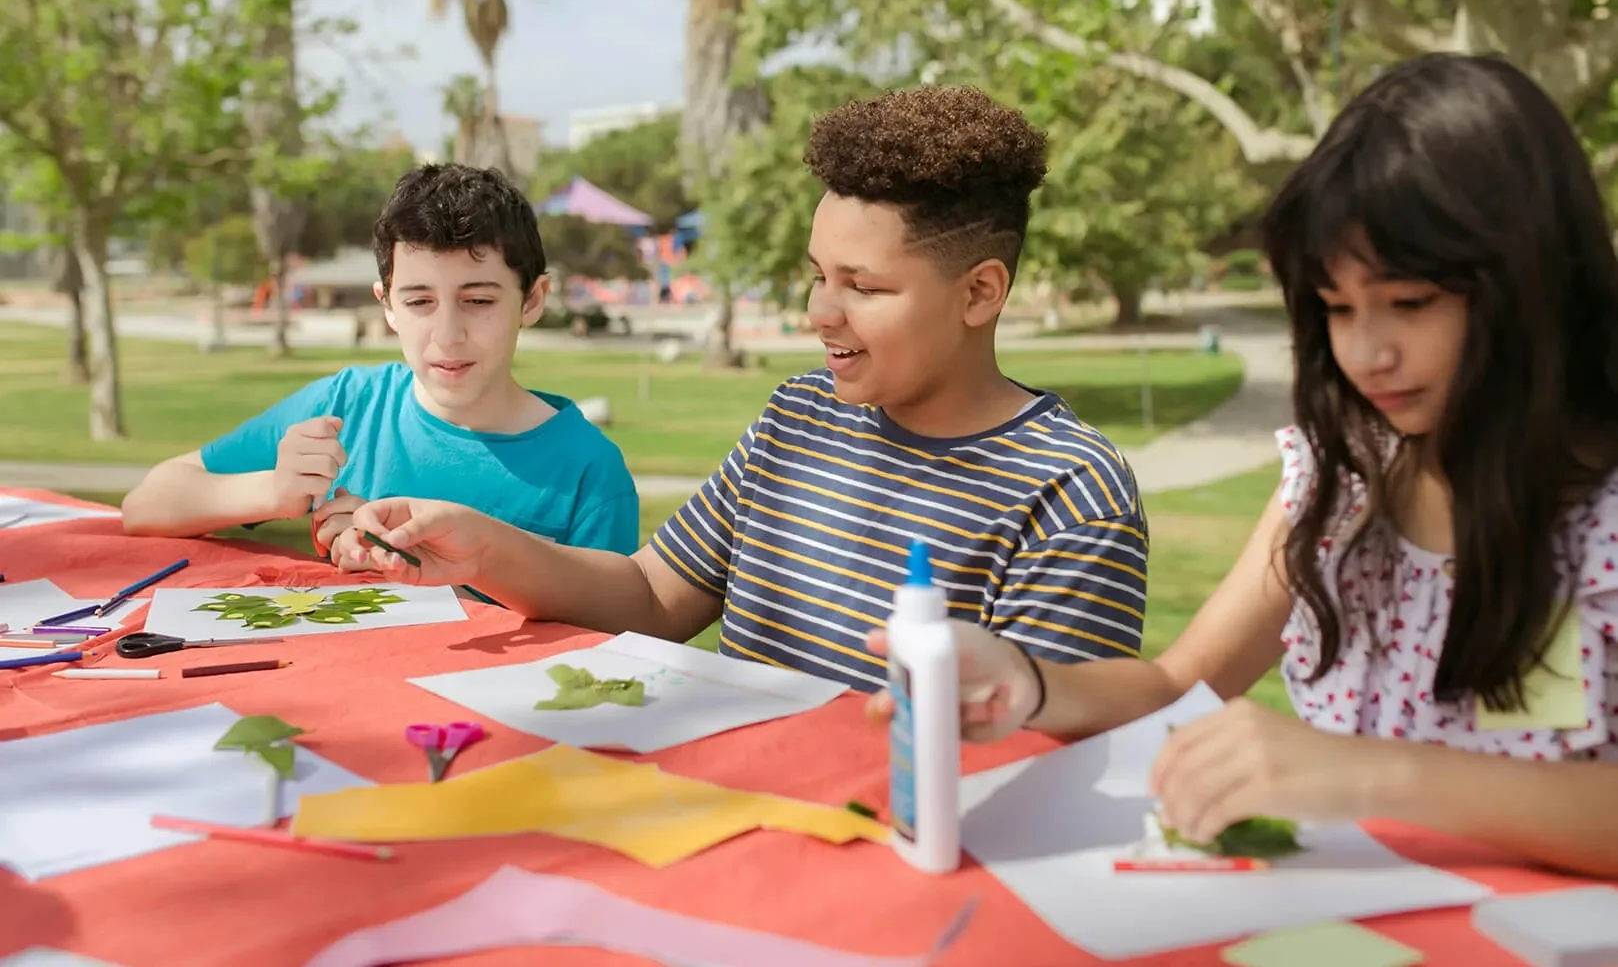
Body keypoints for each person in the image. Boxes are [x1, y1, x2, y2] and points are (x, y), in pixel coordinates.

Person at [864, 54, 1618, 878]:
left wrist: (1368, 774)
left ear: (1531, 281)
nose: (1368, 352)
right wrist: (1029, 683)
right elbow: (1179, 684)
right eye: (1336, 308)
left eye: (1409, 303)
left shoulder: (1600, 521)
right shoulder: (1344, 481)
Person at [346, 85, 1149, 691]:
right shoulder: (799, 418)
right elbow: (653, 597)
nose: (819, 313)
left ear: (980, 293)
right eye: (816, 276)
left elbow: (1041, 748)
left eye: (862, 287)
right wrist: (482, 546)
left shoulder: (1070, 492)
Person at [122, 164, 640, 566]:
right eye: (419, 302)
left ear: (532, 300)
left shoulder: (589, 473)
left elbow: (606, 650)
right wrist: (274, 493)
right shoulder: (345, 406)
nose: (447, 333)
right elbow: (144, 505)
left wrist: (423, 564)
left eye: (478, 301)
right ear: (387, 305)